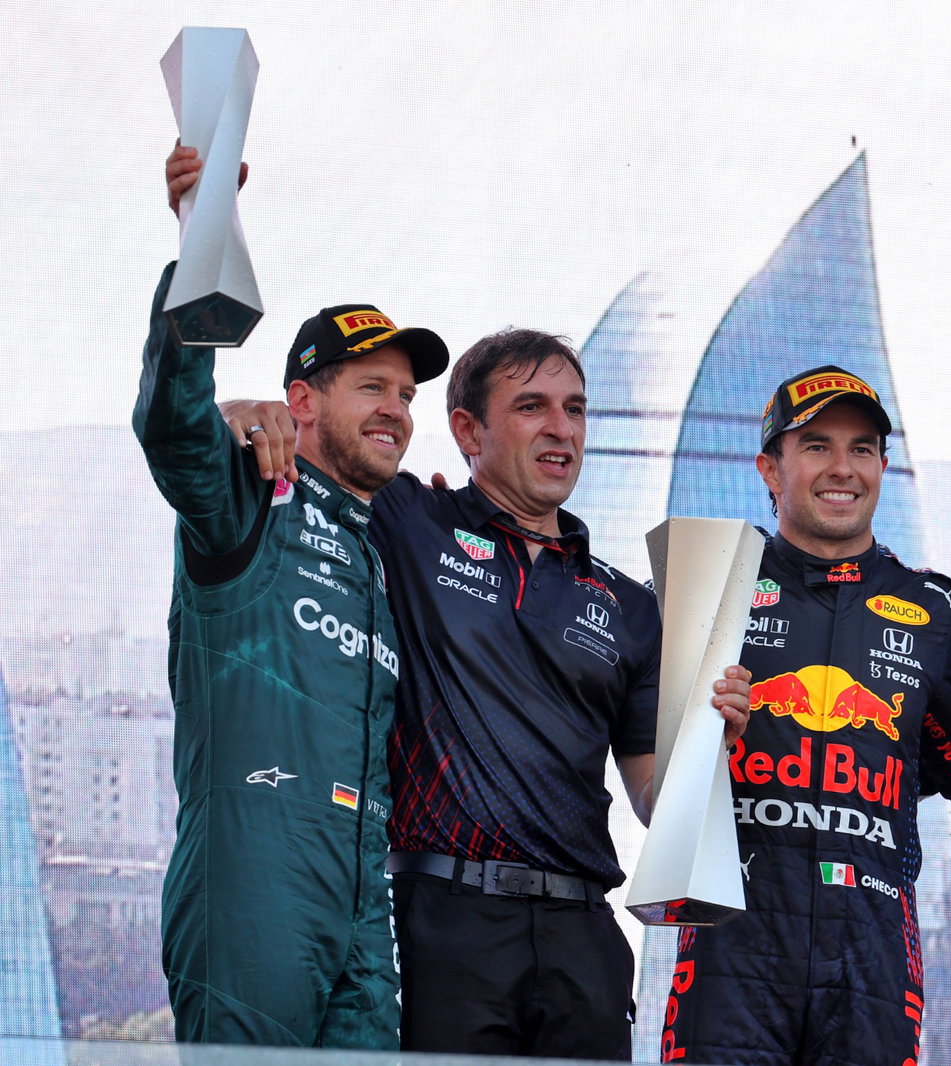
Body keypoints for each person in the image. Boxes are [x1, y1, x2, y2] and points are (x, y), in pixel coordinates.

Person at [219, 323, 752, 1059]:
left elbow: (654, 799)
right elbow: (311, 455)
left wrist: (707, 745)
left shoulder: (630, 604)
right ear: (467, 430)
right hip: (445, 920)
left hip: (584, 934)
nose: (561, 428)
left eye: (576, 407)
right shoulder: (409, 519)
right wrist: (244, 413)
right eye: (532, 406)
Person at [137, 147, 450, 1047]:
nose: (395, 408)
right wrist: (202, 239)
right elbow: (170, 418)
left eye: (404, 392)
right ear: (302, 400)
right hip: (252, 871)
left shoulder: (387, 542)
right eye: (371, 389)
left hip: (361, 894)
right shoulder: (245, 494)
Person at [660, 366, 951, 1066]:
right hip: (732, 946)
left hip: (873, 951)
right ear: (769, 468)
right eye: (816, 445)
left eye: (863, 448)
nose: (843, 468)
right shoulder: (705, 588)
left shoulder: (935, 613)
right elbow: (617, 734)